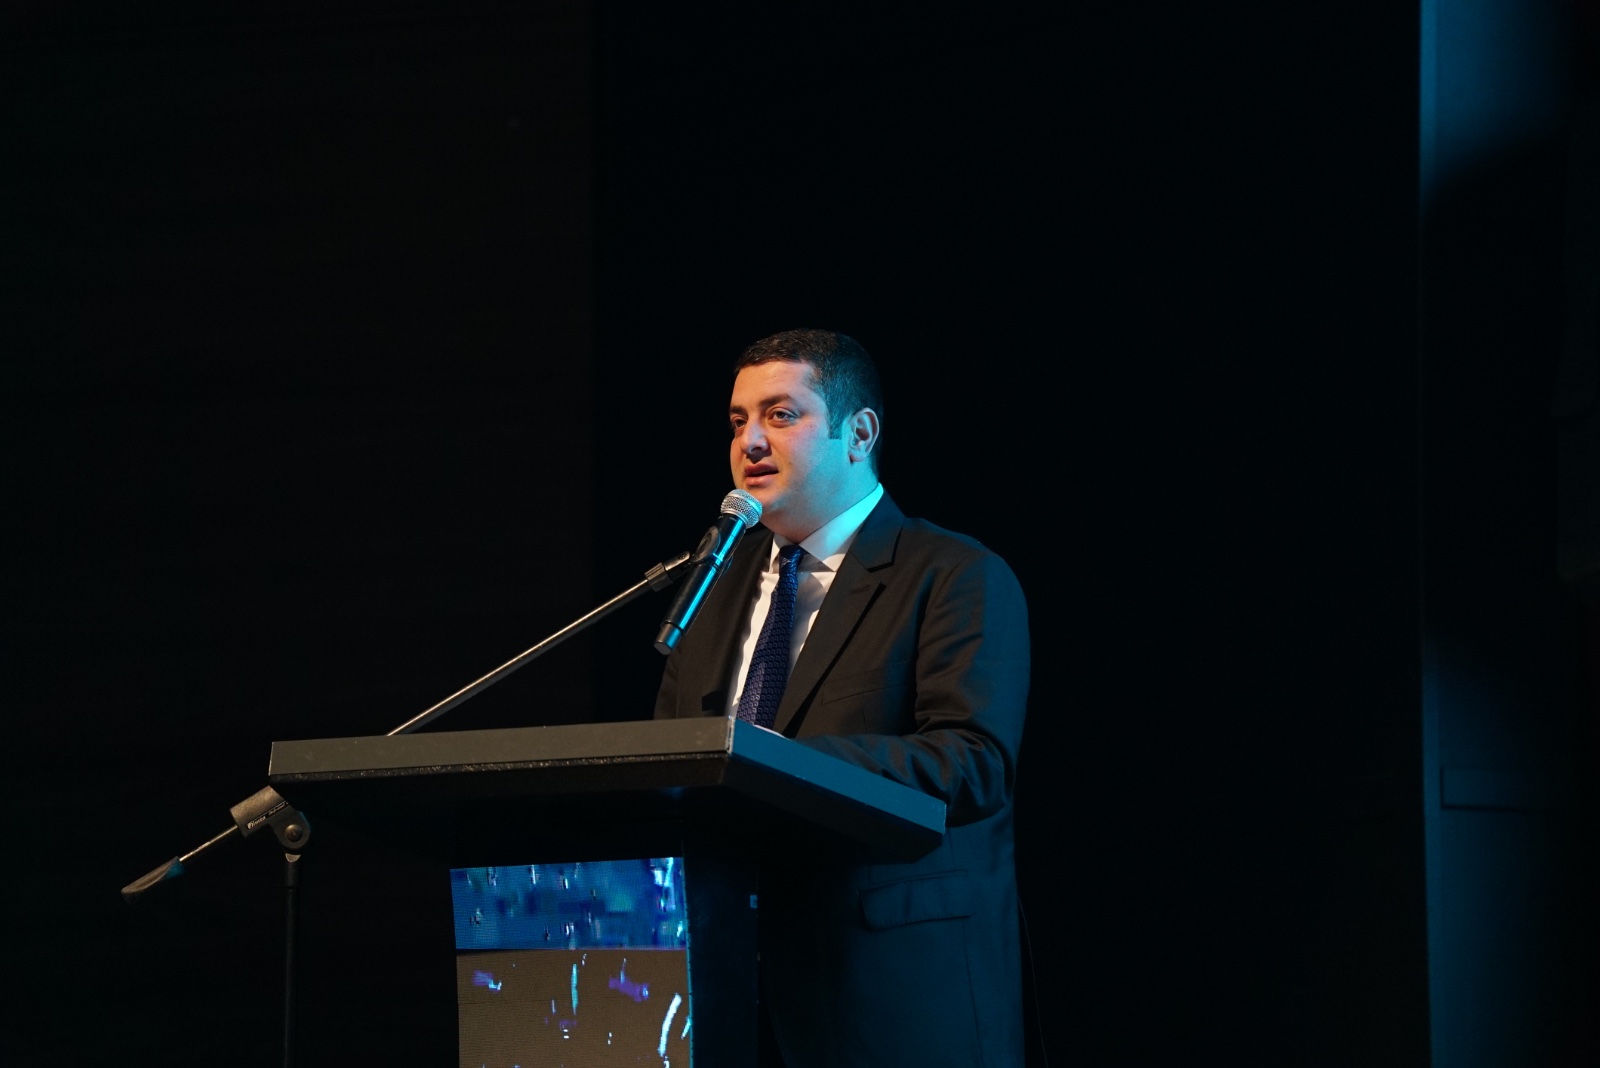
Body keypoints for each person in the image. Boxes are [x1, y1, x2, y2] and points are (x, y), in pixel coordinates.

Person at [653, 329, 1030, 1067]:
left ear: (859, 435)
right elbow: (673, 773)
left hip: (889, 997)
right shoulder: (710, 589)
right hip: (723, 995)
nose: (750, 442)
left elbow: (972, 763)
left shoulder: (953, 575)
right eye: (737, 421)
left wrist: (777, 765)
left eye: (780, 415)